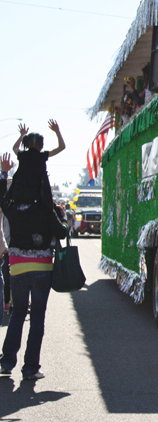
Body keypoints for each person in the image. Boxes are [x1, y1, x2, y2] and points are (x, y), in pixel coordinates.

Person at [0, 153, 68, 381]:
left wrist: (4, 173)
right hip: (42, 268)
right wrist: (62, 216)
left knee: (18, 314)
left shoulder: (12, 207)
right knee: (37, 317)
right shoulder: (45, 210)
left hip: (17, 266)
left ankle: (7, 361)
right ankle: (30, 369)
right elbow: (63, 233)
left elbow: (2, 198)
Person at [9, 121, 65, 205]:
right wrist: (57, 131)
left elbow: (15, 148)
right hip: (37, 196)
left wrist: (22, 135)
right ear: (41, 145)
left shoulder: (22, 155)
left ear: (26, 144)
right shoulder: (42, 156)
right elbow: (61, 147)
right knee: (52, 214)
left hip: (20, 194)